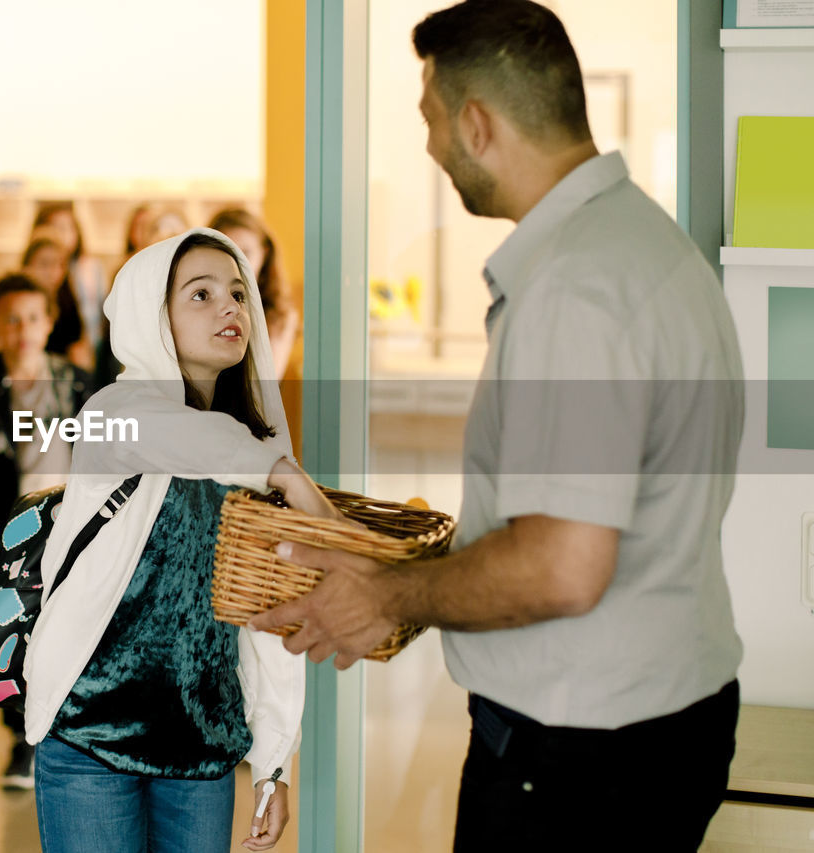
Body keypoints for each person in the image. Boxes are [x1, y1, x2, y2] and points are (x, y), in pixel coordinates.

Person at [250, 2, 746, 850]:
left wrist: (384, 595)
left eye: (431, 121)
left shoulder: (574, 290)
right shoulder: (648, 244)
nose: (432, 150)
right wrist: (392, 560)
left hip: (578, 761)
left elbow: (559, 567)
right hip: (667, 721)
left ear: (476, 123)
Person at [23, 228, 341, 853]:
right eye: (200, 294)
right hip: (90, 740)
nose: (229, 308)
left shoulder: (253, 448)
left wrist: (274, 764)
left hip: (202, 752)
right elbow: (182, 437)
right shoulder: (113, 414)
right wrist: (283, 475)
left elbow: (267, 620)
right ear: (153, 317)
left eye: (237, 293)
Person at [0, 272, 92, 790]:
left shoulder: (77, 384)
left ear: (49, 322)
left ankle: (69, 729)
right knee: (13, 633)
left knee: (72, 624)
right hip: (14, 534)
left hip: (73, 524)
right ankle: (21, 740)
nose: (23, 329)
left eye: (33, 318)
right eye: (10, 320)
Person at [208, 208, 300, 376]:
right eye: (227, 252)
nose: (236, 263)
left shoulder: (279, 314)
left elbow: (266, 379)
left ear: (264, 254)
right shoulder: (199, 306)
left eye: (246, 253)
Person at [33, 201, 105, 371]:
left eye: (67, 227)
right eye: (55, 227)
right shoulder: (31, 287)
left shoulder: (88, 270)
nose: (62, 234)